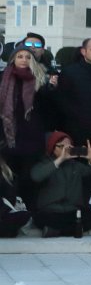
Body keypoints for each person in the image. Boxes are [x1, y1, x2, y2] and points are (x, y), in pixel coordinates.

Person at [49, 37, 91, 227]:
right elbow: (62, 102)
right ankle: (78, 211)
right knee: (78, 173)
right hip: (77, 133)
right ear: (83, 51)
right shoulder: (70, 73)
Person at [30, 132, 91, 237]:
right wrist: (60, 160)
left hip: (73, 212)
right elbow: (36, 176)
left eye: (69, 147)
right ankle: (76, 229)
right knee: (39, 218)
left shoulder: (76, 166)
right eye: (62, 146)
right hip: (51, 212)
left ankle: (57, 231)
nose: (66, 150)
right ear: (53, 148)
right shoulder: (44, 164)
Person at [1, 45, 49, 205]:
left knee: (30, 180)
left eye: (28, 57)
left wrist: (49, 89)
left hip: (31, 138)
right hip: (9, 138)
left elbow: (47, 110)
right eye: (20, 56)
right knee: (10, 180)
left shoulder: (41, 80)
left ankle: (30, 215)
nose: (24, 60)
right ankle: (12, 213)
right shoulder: (3, 78)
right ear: (13, 59)